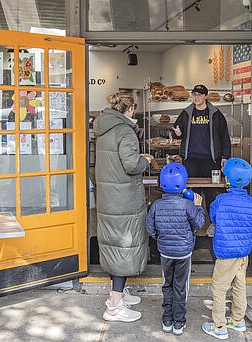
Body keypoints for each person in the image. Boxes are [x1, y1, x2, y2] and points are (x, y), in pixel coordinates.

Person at [93, 91, 153, 322]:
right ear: (130, 110)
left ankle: (116, 294)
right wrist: (145, 160)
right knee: (123, 246)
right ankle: (115, 306)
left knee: (114, 243)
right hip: (124, 198)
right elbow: (130, 165)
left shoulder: (104, 128)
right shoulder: (125, 131)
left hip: (109, 196)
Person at [201, 158, 252, 340]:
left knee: (219, 289)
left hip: (225, 253)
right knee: (239, 285)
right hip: (243, 252)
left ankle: (219, 326)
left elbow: (213, 217)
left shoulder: (220, 200)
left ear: (227, 180)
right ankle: (238, 319)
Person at [146, 162, 206, 336]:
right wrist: (198, 207)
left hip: (165, 252)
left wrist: (161, 239)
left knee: (167, 284)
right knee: (180, 287)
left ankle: (167, 320)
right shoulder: (187, 205)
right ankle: (178, 322)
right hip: (184, 253)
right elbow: (200, 224)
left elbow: (150, 229)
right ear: (183, 183)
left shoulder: (156, 205)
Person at [171, 84, 231, 231]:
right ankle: (192, 223)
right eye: (194, 95)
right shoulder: (186, 113)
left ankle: (213, 223)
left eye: (199, 95)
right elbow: (174, 132)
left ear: (205, 96)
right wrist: (176, 134)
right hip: (191, 159)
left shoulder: (216, 114)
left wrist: (225, 156)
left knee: (211, 192)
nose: (196, 97)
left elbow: (224, 136)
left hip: (211, 159)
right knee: (192, 191)